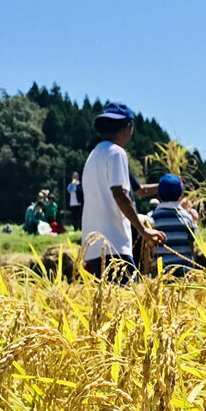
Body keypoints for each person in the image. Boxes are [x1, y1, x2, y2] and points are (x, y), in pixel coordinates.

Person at [81, 102, 165, 280]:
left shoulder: (93, 155)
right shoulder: (116, 152)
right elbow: (120, 194)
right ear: (128, 127)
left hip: (93, 247)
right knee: (126, 302)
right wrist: (143, 230)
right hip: (115, 245)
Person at [150, 174, 199, 275]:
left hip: (161, 273)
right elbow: (191, 245)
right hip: (185, 272)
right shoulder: (186, 218)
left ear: (158, 195)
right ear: (180, 196)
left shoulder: (152, 218)